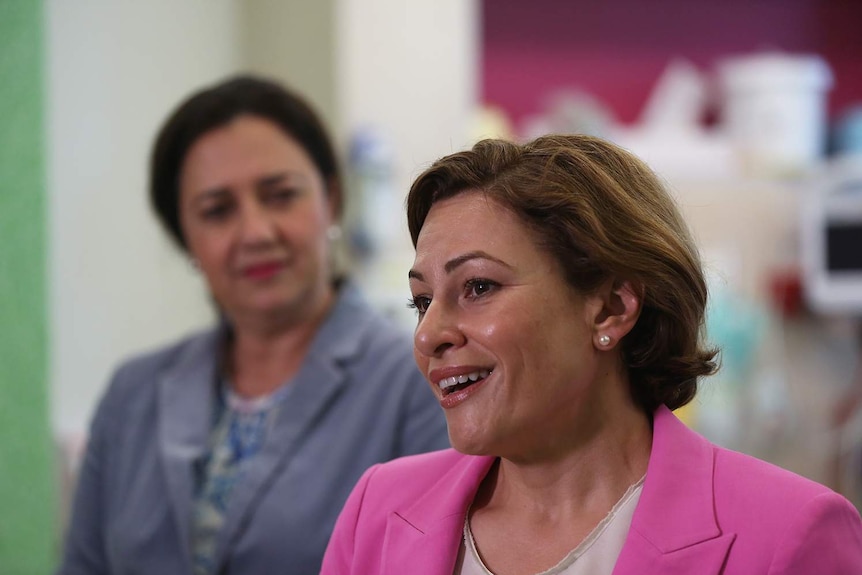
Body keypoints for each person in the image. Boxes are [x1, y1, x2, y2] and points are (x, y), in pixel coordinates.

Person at [321, 134, 862, 575]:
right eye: (422, 302)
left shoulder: (789, 535)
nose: (428, 335)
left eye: (478, 287)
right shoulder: (379, 510)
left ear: (611, 308)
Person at [56, 75, 449, 575]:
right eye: (217, 211)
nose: (256, 232)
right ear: (186, 237)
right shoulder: (133, 393)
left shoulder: (420, 381)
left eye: (280, 195)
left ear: (331, 198)